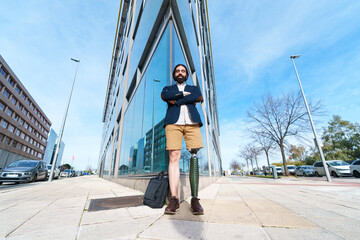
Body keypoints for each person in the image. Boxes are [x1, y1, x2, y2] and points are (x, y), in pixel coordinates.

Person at [161, 64, 204, 215]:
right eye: (177, 71)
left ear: (186, 74)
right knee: (174, 156)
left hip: (192, 123)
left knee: (194, 155)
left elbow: (198, 97)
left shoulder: (193, 88)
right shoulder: (168, 89)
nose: (180, 73)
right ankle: (174, 198)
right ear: (174, 74)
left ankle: (195, 198)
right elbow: (165, 96)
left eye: (183, 71)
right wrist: (185, 97)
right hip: (173, 123)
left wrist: (177, 100)